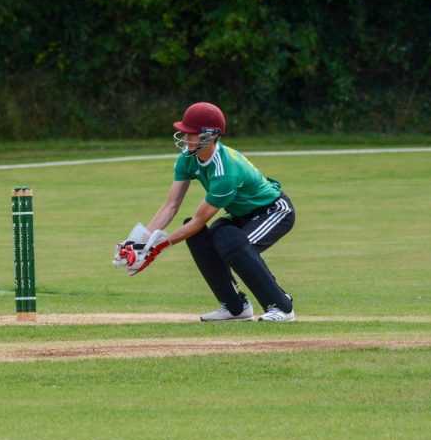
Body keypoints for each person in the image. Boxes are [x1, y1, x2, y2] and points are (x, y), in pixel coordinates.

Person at [113, 102, 296, 322]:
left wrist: (158, 247)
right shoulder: (187, 158)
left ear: (210, 135)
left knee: (230, 241)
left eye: (192, 133)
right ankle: (235, 308)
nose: (186, 137)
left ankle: (282, 307)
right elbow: (171, 205)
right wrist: (140, 241)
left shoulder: (225, 170)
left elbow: (200, 220)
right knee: (203, 238)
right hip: (242, 215)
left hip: (274, 211)